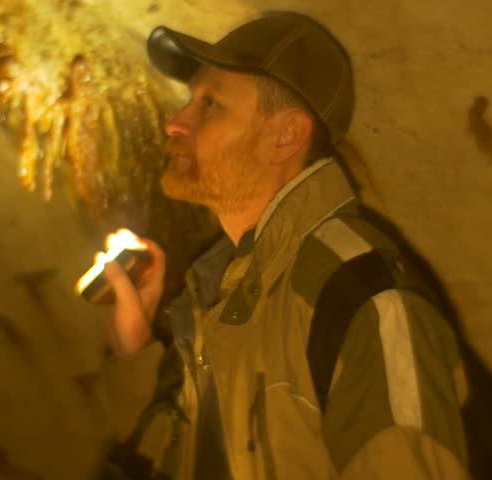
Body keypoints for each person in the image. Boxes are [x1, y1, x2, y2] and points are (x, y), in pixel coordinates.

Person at [102, 11, 471, 480]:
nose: (176, 123)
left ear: (285, 136)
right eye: (188, 101)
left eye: (210, 104)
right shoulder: (211, 295)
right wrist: (135, 355)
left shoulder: (363, 300)